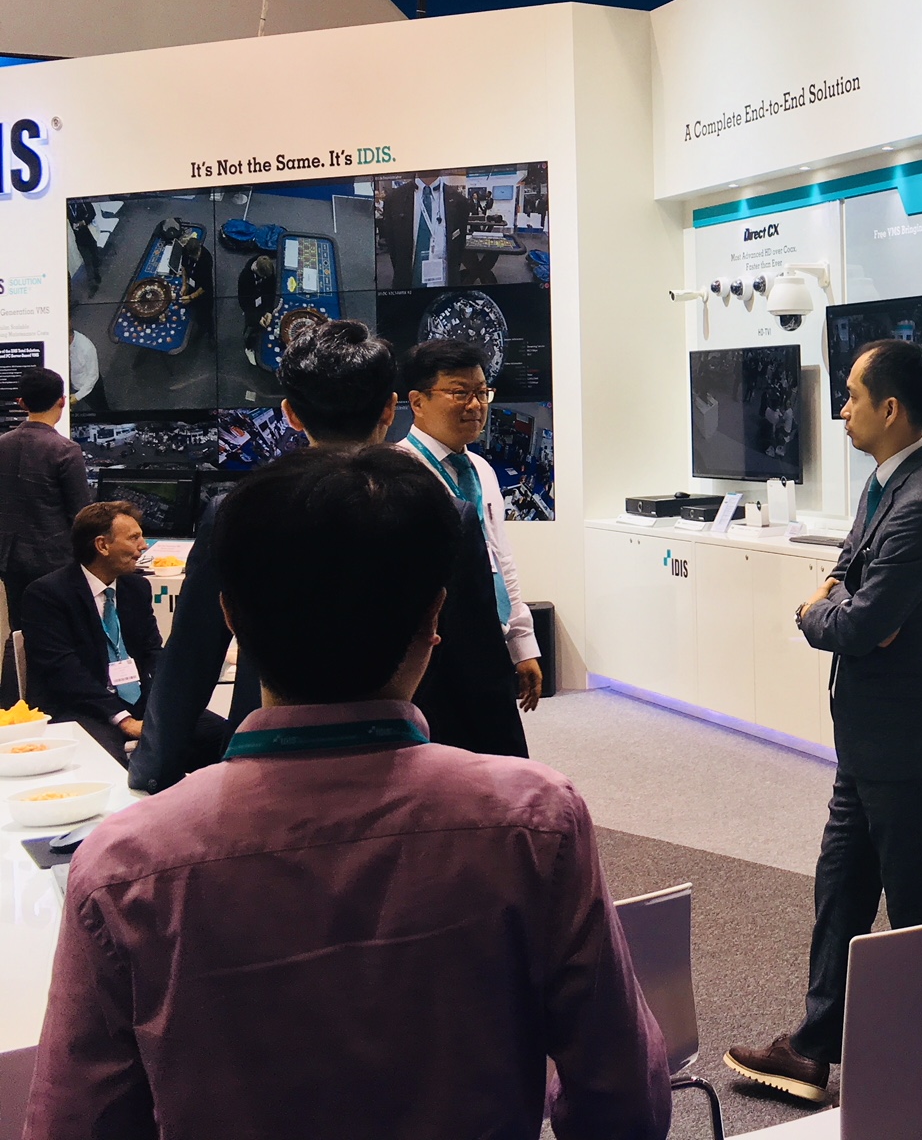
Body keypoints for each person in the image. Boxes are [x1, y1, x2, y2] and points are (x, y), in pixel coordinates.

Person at [23, 448, 671, 1140]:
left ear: (229, 616)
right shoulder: (534, 821)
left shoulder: (124, 865)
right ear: (434, 618)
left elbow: (76, 1119)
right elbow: (622, 1094)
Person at [726, 339, 922, 1103]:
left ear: (889, 409)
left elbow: (862, 624)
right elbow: (849, 565)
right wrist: (839, 592)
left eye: (852, 398)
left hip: (906, 744)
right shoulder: (885, 485)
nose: (841, 412)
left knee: (918, 908)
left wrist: (814, 613)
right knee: (840, 891)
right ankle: (813, 1049)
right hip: (868, 742)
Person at [130, 322, 527, 794]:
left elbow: (191, 657)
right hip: (407, 749)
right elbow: (480, 663)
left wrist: (152, 772)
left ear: (291, 414)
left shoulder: (237, 510)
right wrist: (513, 777)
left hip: (268, 752)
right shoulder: (441, 511)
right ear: (391, 408)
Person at [399, 339, 543, 710]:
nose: (475, 405)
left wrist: (522, 644)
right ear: (417, 402)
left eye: (481, 392)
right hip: (430, 651)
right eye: (460, 393)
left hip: (489, 641)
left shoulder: (482, 470)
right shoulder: (397, 472)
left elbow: (500, 559)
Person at [21, 502, 222, 765]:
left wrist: (165, 705)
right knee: (107, 758)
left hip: (139, 701)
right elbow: (64, 671)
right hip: (82, 707)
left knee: (220, 736)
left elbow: (152, 652)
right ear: (102, 545)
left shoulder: (136, 588)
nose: (144, 546)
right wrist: (123, 719)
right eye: (134, 538)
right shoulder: (47, 594)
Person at [0, 366, 90, 701]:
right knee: (62, 635)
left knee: (21, 632)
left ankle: (18, 702)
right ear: (63, 401)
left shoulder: (2, 445)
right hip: (56, 561)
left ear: (21, 402)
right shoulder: (65, 450)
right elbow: (81, 516)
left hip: (10, 560)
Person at [381, 173, 470, 288]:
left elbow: (459, 247)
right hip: (407, 286)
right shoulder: (394, 199)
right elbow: (393, 247)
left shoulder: (459, 201)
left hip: (446, 286)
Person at [173, 228, 214, 352]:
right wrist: (184, 284)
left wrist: (191, 297)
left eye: (195, 255)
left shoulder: (206, 260)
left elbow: (204, 287)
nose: (193, 257)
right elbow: (184, 267)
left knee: (205, 314)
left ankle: (210, 334)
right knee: (191, 308)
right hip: (192, 283)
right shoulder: (186, 251)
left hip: (204, 290)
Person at [238, 251, 278, 365]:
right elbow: (244, 303)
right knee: (252, 327)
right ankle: (249, 347)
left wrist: (268, 311)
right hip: (251, 306)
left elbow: (271, 291)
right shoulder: (245, 277)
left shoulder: (268, 269)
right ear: (257, 270)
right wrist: (257, 317)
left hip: (262, 301)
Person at [67, 199, 102, 296]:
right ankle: (92, 284)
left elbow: (92, 214)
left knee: (95, 258)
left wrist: (82, 222)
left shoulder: (83, 201)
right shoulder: (67, 207)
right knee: (87, 262)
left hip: (90, 235)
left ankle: (96, 273)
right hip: (79, 240)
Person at [67, 329, 104, 416]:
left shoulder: (86, 348)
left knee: (100, 409)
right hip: (74, 382)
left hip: (90, 386)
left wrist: (78, 396)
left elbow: (93, 376)